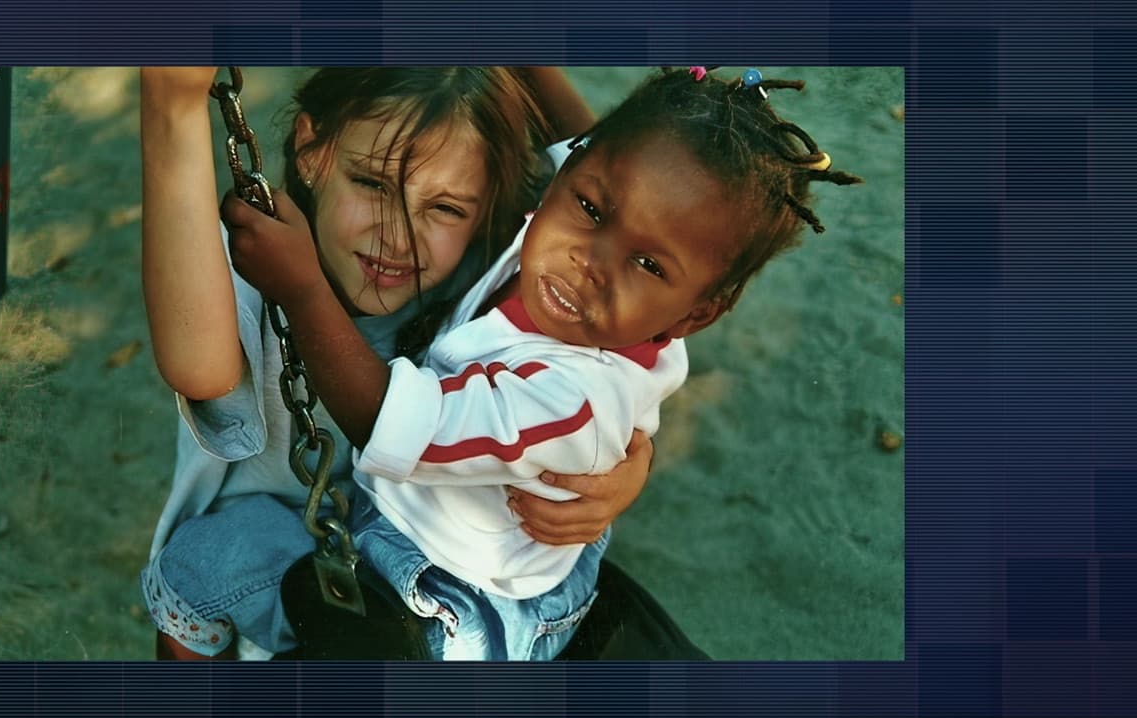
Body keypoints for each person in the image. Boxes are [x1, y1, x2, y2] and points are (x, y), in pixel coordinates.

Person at [224, 66, 862, 660]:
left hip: (459, 593)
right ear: (571, 173)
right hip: (453, 530)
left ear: (696, 315)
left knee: (216, 572)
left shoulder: (570, 394)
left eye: (647, 264)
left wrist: (302, 288)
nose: (591, 260)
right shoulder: (595, 217)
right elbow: (590, 145)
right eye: (590, 208)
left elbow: (383, 419)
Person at [139, 66, 656, 660]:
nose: (397, 238)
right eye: (372, 184)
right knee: (195, 568)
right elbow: (197, 367)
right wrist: (171, 100)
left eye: (444, 209)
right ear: (312, 149)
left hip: (428, 600)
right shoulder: (256, 268)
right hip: (281, 573)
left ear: (488, 206)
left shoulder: (493, 278)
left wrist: (628, 458)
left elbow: (619, 205)